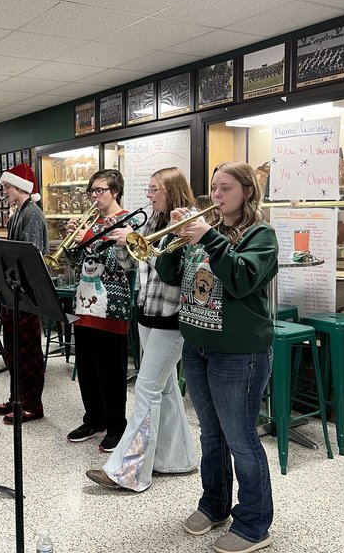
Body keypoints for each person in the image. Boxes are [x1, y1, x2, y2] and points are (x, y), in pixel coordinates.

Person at [176, 161, 278, 553]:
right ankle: (214, 504)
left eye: (226, 189)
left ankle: (254, 524)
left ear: (247, 192)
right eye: (214, 189)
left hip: (240, 353)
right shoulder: (210, 230)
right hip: (197, 346)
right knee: (211, 433)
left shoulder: (261, 235)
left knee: (241, 439)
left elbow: (241, 279)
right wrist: (182, 241)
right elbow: (172, 274)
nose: (216, 197)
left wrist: (208, 239)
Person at [86, 167, 198, 490]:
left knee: (146, 389)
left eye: (154, 190)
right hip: (148, 314)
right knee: (165, 389)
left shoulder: (184, 220)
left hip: (171, 319)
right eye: (148, 190)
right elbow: (130, 264)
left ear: (171, 190)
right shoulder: (154, 220)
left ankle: (128, 471)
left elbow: (170, 272)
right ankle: (178, 459)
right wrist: (122, 242)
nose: (148, 196)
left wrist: (141, 245)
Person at [63, 169, 132, 453]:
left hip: (112, 307)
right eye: (91, 191)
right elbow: (77, 263)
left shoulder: (127, 221)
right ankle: (94, 419)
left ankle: (117, 425)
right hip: (84, 303)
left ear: (115, 191)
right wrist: (74, 241)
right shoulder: (91, 221)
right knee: (88, 369)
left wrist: (89, 236)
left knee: (111, 371)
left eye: (99, 190)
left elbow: (123, 265)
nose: (94, 196)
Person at [0, 163, 48, 424]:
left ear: (20, 187)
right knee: (13, 350)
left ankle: (32, 404)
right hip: (13, 291)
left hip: (26, 294)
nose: (4, 190)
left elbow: (32, 252)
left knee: (28, 350)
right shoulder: (17, 213)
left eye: (7, 186)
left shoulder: (32, 214)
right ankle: (17, 398)